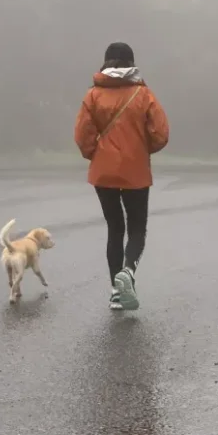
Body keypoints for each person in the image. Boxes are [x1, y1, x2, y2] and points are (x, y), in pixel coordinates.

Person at [74, 42, 170, 311]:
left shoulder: (93, 95)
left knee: (115, 228)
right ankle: (128, 271)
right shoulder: (143, 94)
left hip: (103, 171)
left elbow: (82, 135)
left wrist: (96, 154)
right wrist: (141, 150)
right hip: (136, 171)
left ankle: (116, 293)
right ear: (131, 63)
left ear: (106, 62)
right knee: (137, 228)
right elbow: (161, 133)